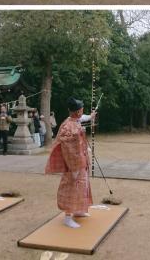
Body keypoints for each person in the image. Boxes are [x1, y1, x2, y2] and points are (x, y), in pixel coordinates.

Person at [45, 97, 97, 229]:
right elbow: (68, 147)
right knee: (72, 187)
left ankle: (79, 210)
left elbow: (83, 119)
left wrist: (91, 117)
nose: (82, 112)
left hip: (81, 160)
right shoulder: (68, 126)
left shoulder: (75, 120)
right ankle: (68, 217)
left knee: (83, 185)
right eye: (81, 110)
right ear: (77, 111)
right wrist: (74, 166)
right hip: (73, 163)